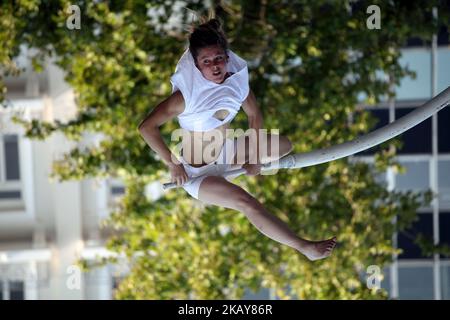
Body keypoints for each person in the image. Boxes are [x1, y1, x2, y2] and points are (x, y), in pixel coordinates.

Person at [138, 17, 336, 261]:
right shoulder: (185, 96)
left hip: (227, 153)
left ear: (227, 57)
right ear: (197, 65)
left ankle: (240, 164)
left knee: (285, 145)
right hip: (198, 175)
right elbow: (146, 127)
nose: (214, 66)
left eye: (218, 58)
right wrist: (173, 164)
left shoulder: (237, 82)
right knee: (247, 202)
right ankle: (304, 247)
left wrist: (253, 157)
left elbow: (254, 116)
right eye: (206, 62)